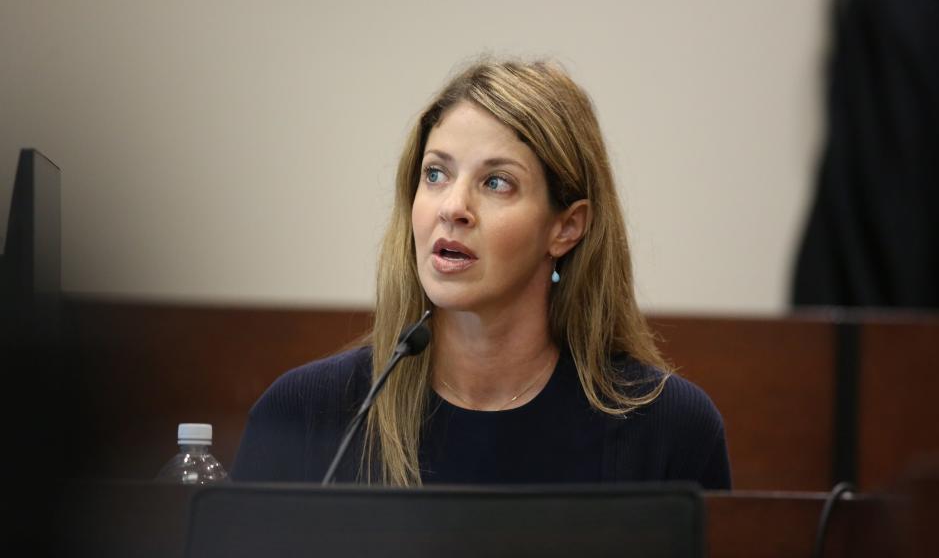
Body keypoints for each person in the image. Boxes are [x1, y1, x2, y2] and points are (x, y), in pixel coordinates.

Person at [231, 58, 731, 488]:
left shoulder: (667, 431)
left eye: (496, 182)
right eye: (435, 174)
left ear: (566, 227)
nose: (453, 207)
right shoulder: (304, 417)